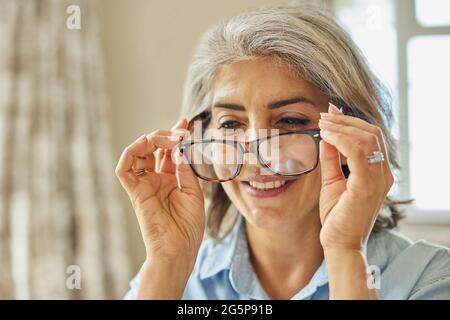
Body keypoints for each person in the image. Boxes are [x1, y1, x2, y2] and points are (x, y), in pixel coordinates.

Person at [115, 5, 450, 299]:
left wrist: (347, 254)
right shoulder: (173, 276)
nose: (257, 157)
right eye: (231, 124)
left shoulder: (427, 279)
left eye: (290, 121)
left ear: (352, 137)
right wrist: (167, 263)